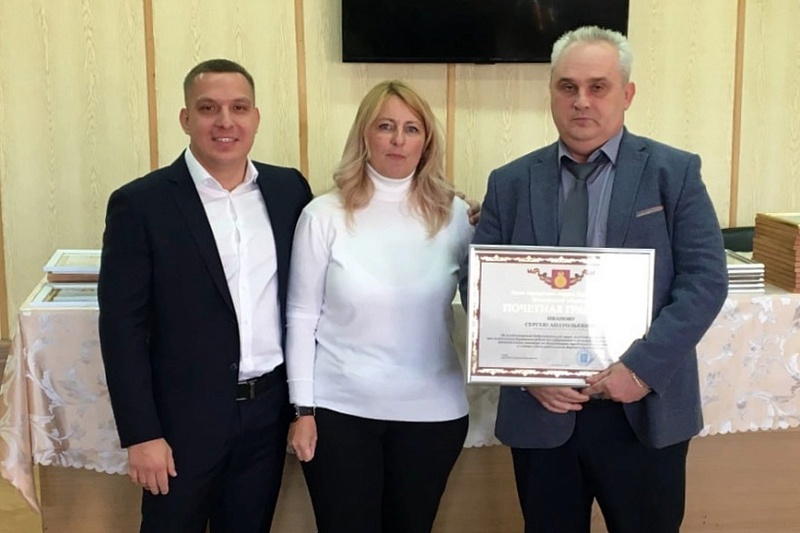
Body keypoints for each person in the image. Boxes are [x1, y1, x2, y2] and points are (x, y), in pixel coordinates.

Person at [465, 26, 728, 533]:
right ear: (551, 94)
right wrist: (527, 375)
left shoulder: (674, 173)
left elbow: (704, 281)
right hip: (543, 413)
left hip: (642, 411)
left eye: (598, 87)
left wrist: (641, 370)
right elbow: (478, 285)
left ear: (627, 94)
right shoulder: (510, 182)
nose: (581, 101)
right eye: (567, 87)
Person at [98, 59, 313, 532]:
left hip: (266, 413)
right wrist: (142, 434)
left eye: (239, 108)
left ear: (256, 117)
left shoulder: (289, 190)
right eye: (208, 108)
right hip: (180, 422)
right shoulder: (141, 203)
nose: (225, 121)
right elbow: (121, 329)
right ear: (185, 118)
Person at [285, 80, 472, 533]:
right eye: (385, 126)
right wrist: (302, 410)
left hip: (432, 414)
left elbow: (489, 307)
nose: (398, 140)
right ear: (364, 135)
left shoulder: (457, 217)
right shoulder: (322, 215)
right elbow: (301, 316)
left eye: (411, 128)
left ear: (426, 140)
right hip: (339, 413)